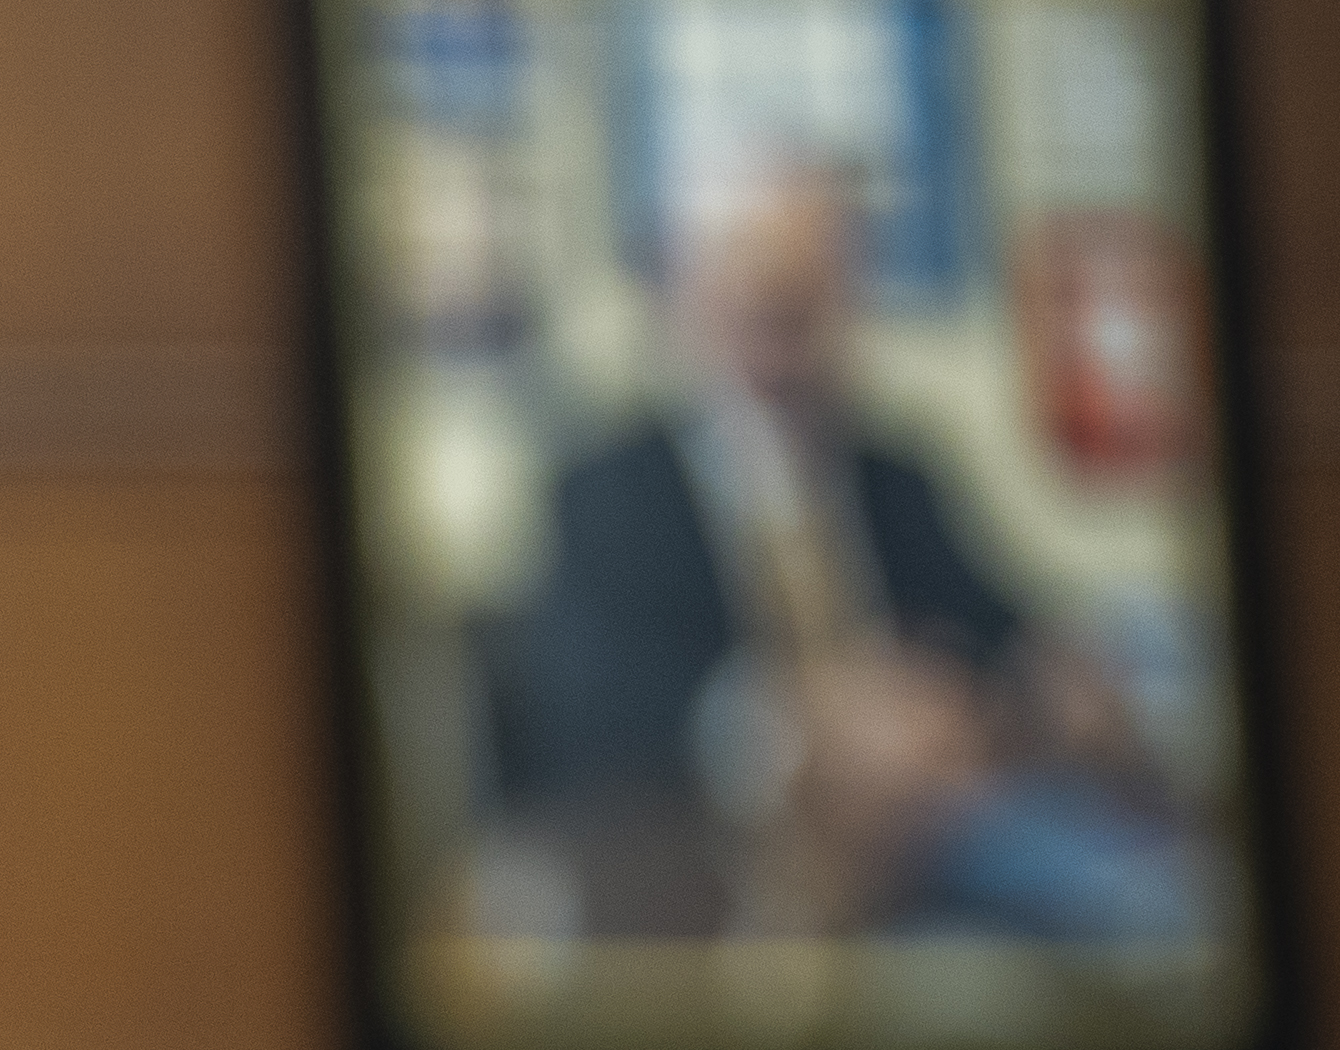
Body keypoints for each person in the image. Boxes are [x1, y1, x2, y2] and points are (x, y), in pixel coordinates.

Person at [479, 155, 1192, 951]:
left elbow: (995, 630)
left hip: (932, 848)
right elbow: (581, 697)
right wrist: (793, 725)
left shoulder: (898, 472)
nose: (783, 290)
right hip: (716, 876)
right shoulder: (605, 488)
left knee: (1155, 909)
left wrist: (1046, 677)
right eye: (750, 264)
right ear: (683, 290)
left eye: (812, 269)